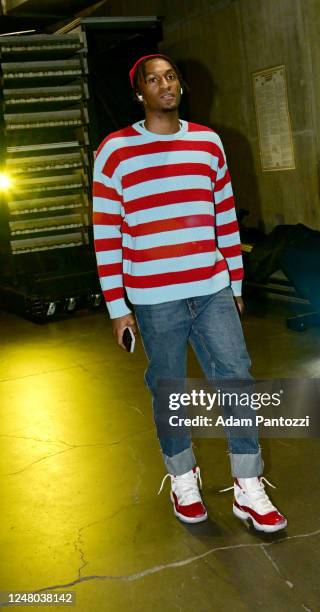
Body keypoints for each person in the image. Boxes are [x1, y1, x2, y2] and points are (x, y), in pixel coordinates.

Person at [92, 53, 287, 533]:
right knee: (169, 389)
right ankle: (183, 477)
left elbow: (225, 217)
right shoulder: (114, 152)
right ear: (139, 92)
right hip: (155, 296)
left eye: (171, 76)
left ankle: (248, 485)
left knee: (237, 378)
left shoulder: (207, 142)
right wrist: (118, 308)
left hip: (212, 286)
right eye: (153, 80)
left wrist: (235, 283)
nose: (165, 85)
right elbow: (105, 233)